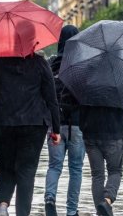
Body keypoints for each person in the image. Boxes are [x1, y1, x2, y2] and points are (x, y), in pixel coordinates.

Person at [0, 41, 61, 216]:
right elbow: (51, 98)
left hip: (3, 123)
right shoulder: (40, 64)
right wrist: (56, 129)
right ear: (34, 40)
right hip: (33, 124)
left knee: (7, 167)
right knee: (26, 170)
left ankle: (3, 206)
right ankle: (22, 213)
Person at [44, 25, 85, 216]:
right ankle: (71, 211)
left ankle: (50, 197)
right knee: (76, 168)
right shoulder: (82, 64)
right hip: (77, 123)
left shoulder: (51, 64)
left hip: (56, 124)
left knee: (54, 165)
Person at [80, 103, 123, 216]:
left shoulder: (88, 91)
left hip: (91, 138)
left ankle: (100, 211)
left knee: (97, 175)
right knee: (115, 171)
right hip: (114, 137)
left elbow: (81, 116)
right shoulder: (118, 93)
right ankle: (107, 201)